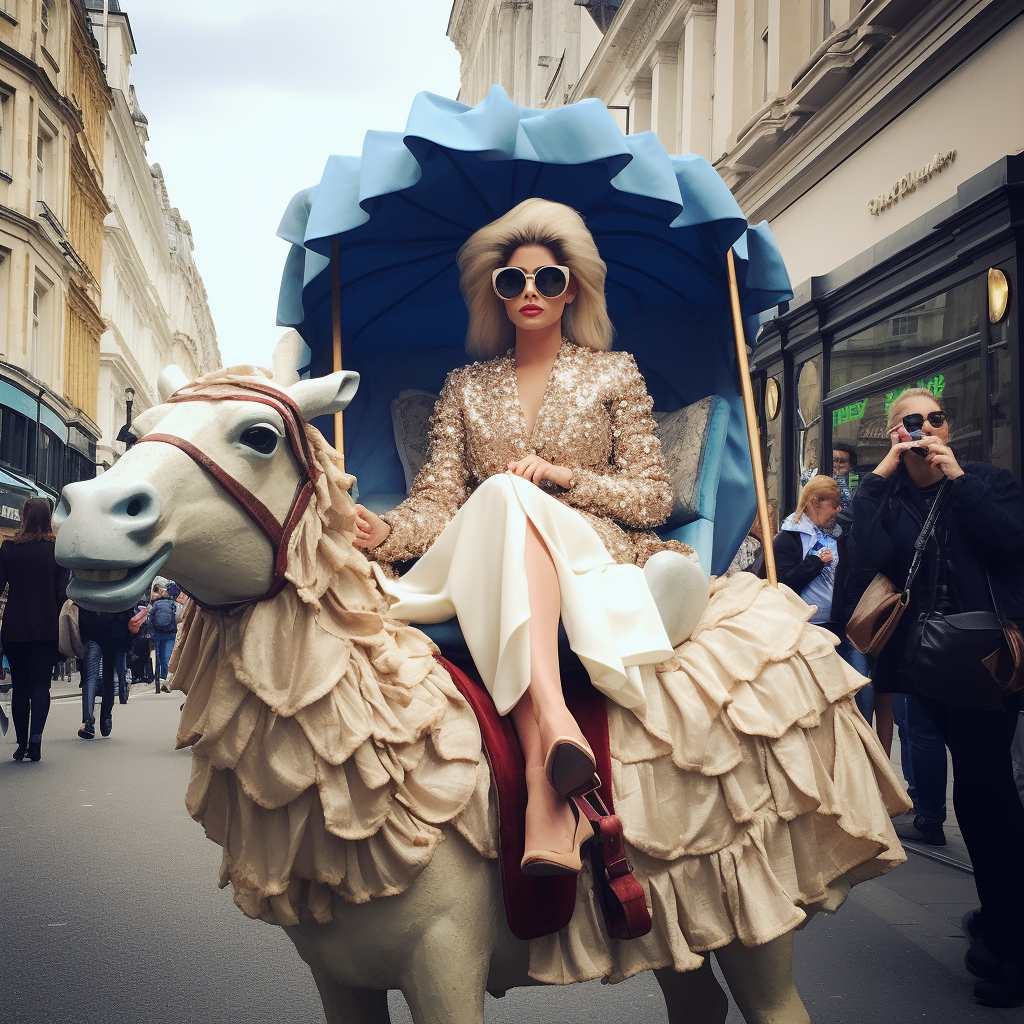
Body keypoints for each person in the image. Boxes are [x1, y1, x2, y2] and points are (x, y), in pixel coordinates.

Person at [353, 198, 707, 873]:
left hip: (588, 551)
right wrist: (386, 528)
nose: (530, 293)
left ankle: (547, 778)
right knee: (501, 498)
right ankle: (556, 730)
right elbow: (437, 502)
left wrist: (564, 477)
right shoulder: (464, 386)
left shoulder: (614, 372)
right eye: (512, 281)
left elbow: (653, 497)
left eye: (547, 279)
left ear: (572, 288)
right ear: (496, 292)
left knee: (511, 493)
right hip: (483, 550)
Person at [852, 386, 1024, 1008]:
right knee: (980, 792)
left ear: (948, 427)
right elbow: (858, 569)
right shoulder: (890, 498)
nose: (924, 428)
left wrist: (959, 481)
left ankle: (1010, 942)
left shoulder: (984, 481)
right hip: (929, 668)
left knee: (986, 793)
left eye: (934, 418)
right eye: (909, 423)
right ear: (894, 436)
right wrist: (875, 482)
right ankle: (1000, 920)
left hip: (988, 662)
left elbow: (1011, 545)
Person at [770, 476, 880, 732]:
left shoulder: (839, 537)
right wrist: (816, 563)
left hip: (840, 629)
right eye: (835, 504)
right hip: (804, 633)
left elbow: (849, 580)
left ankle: (863, 742)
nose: (839, 510)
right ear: (814, 502)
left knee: (862, 687)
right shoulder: (786, 540)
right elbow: (783, 583)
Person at [0, 498, 67, 761]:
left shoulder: (8, 548)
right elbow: (62, 594)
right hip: (46, 627)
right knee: (41, 685)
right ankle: (36, 741)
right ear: (48, 517)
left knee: (21, 686)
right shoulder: (56, 550)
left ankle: (20, 744)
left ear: (23, 516)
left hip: (15, 627)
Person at [77, 607, 132, 739]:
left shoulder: (86, 586)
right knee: (108, 676)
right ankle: (106, 715)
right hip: (111, 630)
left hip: (91, 629)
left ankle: (88, 721)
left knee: (90, 677)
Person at [149, 583, 181, 692]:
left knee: (159, 656)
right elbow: (179, 617)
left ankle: (160, 677)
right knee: (167, 656)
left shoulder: (156, 604)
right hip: (170, 633)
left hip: (157, 633)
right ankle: (166, 679)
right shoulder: (173, 604)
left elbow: (150, 617)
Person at [831, 441, 857, 506]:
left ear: (850, 466)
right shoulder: (814, 475)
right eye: (832, 461)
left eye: (840, 461)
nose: (835, 465)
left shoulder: (856, 481)